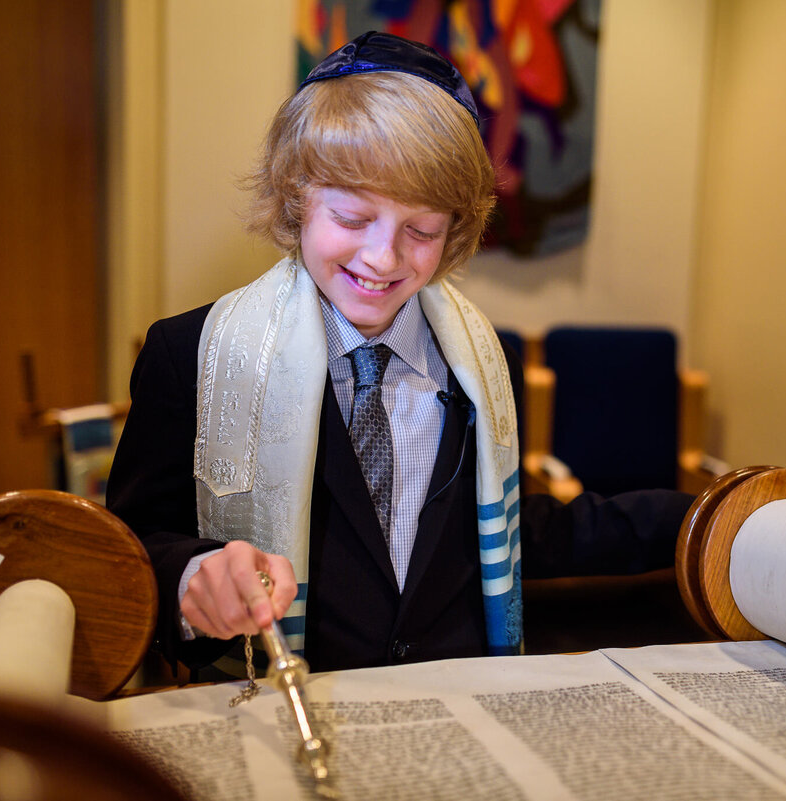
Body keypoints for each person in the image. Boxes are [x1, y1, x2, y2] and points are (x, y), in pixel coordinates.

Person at [106, 31, 693, 678]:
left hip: (455, 706)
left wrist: (703, 516)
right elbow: (129, 552)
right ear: (298, 197)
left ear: (458, 229)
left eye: (422, 230)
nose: (383, 258)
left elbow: (508, 525)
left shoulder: (480, 361)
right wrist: (192, 577)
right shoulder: (190, 356)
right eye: (353, 219)